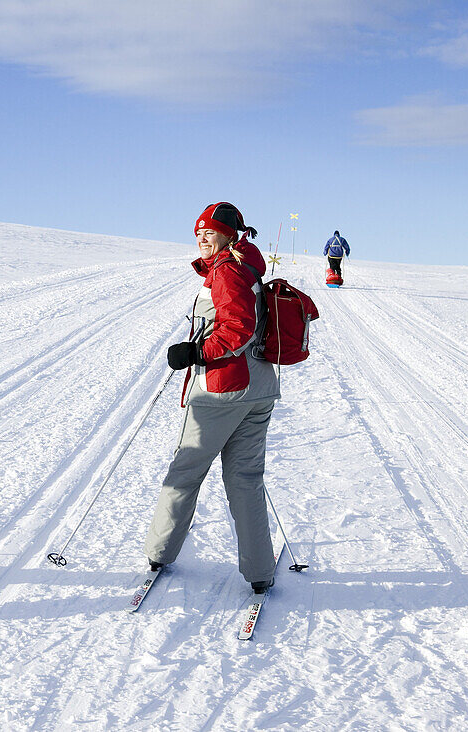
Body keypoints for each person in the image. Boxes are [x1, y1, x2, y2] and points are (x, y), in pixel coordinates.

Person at [144, 203, 280, 593]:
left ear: (228, 235)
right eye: (198, 231)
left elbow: (237, 326)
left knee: (186, 472)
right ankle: (259, 572)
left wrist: (196, 353)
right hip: (258, 390)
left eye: (210, 231)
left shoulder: (227, 269)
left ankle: (160, 552)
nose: (202, 237)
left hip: (223, 391)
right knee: (246, 478)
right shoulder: (248, 266)